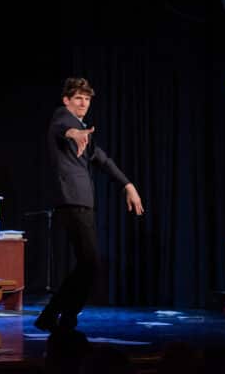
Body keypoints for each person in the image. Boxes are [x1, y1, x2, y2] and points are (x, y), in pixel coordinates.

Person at [35, 77, 144, 332]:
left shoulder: (85, 131)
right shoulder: (63, 118)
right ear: (67, 101)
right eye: (78, 98)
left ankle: (56, 316)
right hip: (71, 200)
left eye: (87, 99)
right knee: (91, 263)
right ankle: (61, 315)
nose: (83, 103)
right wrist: (74, 133)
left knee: (88, 264)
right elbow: (63, 128)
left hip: (82, 202)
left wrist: (128, 185)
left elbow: (103, 160)